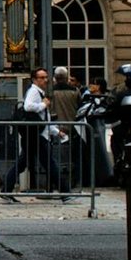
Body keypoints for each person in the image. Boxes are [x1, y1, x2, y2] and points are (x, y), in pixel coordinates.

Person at [49, 65, 80, 193]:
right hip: (72, 126)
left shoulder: (51, 92)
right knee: (72, 157)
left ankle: (56, 182)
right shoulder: (75, 91)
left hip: (55, 127)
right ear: (66, 78)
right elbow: (79, 105)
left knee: (55, 157)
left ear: (55, 78)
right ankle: (72, 180)